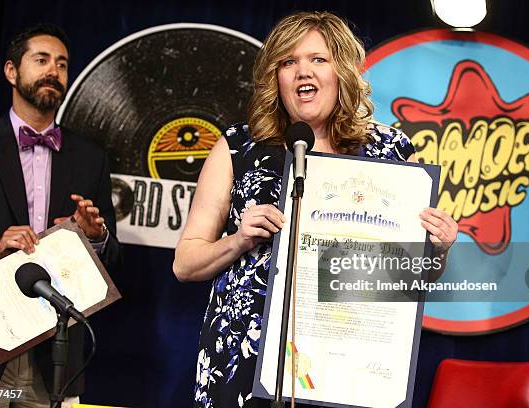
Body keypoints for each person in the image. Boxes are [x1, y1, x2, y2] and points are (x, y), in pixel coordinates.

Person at [174, 11, 458, 408]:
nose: (301, 71)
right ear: (276, 77)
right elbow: (185, 264)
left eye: (317, 59)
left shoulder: (392, 152)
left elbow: (410, 277)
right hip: (245, 365)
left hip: (349, 365)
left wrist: (439, 250)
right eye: (288, 62)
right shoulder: (239, 147)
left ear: (341, 70)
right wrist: (238, 240)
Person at [0, 23, 119, 407]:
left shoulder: (90, 158)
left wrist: (95, 238)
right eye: (41, 60)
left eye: (62, 64)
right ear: (12, 72)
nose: (53, 71)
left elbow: (114, 261)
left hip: (55, 355)